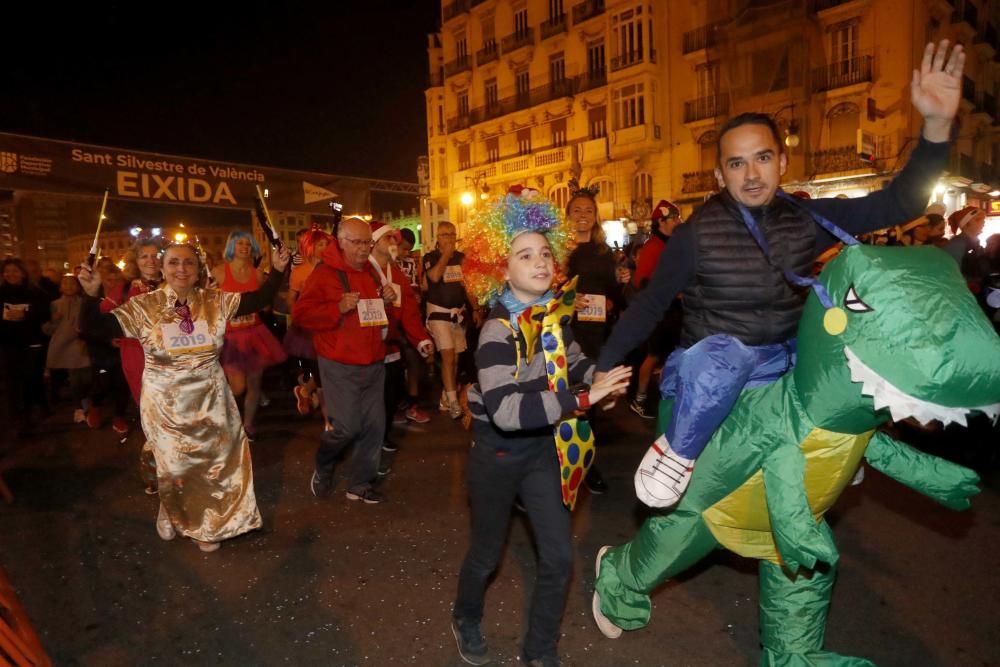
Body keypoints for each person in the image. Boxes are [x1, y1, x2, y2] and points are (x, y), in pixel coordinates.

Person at [591, 40, 963, 512]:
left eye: (762, 158)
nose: (751, 174)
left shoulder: (806, 220)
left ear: (783, 162)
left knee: (839, 351)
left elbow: (899, 203)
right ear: (719, 173)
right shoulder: (695, 234)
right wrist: (607, 363)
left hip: (781, 364)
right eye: (736, 162)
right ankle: (677, 453)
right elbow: (649, 304)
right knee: (725, 355)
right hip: (710, 370)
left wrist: (935, 127)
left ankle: (839, 450)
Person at [451, 186, 631, 667]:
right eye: (524, 254)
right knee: (487, 556)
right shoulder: (497, 330)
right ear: (499, 269)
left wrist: (598, 380)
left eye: (545, 253)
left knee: (559, 558)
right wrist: (582, 399)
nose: (540, 262)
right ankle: (465, 616)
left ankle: (539, 651)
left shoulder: (553, 316)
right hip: (498, 452)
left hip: (542, 453)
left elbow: (571, 361)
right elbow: (507, 412)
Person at [78, 242, 290, 552]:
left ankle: (208, 526)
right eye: (174, 262)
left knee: (215, 465)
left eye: (188, 263)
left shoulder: (214, 301)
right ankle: (169, 505)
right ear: (162, 269)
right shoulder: (145, 306)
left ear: (198, 270)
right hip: (165, 402)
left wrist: (279, 270)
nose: (181, 269)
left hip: (211, 398)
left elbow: (258, 299)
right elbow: (94, 326)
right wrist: (90, 295)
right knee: (176, 466)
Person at [293, 217, 399, 505]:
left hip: (374, 362)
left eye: (368, 242)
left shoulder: (371, 272)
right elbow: (301, 313)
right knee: (346, 428)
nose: (364, 248)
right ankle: (324, 464)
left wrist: (386, 299)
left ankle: (360, 483)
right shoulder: (324, 274)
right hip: (339, 364)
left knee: (375, 427)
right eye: (357, 242)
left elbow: (374, 313)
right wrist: (337, 308)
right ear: (341, 242)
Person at [562, 182, 627, 495]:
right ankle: (568, 461)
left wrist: (619, 286)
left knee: (594, 397)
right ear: (568, 215)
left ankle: (587, 461)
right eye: (577, 211)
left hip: (599, 333)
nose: (583, 216)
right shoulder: (560, 250)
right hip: (568, 333)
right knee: (570, 398)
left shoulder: (603, 251)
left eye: (589, 210)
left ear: (596, 215)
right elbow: (548, 289)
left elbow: (612, 291)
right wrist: (567, 302)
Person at [367, 222, 434, 456]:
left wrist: (421, 340)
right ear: (373, 243)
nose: (394, 242)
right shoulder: (362, 270)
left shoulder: (395, 273)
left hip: (391, 346)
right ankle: (368, 442)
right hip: (366, 347)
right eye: (388, 238)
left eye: (394, 238)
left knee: (390, 394)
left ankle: (383, 435)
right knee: (370, 399)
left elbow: (408, 311)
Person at [212, 230, 287, 439]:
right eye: (239, 244)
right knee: (237, 387)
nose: (244, 247)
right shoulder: (218, 272)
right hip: (230, 337)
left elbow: (264, 300)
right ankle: (226, 418)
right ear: (231, 247)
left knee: (255, 383)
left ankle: (248, 424)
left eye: (247, 244)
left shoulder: (258, 274)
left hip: (255, 334)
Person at [629, 200, 684, 419]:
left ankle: (664, 397)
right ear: (661, 221)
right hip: (660, 312)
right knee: (654, 356)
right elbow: (641, 281)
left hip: (673, 310)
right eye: (674, 218)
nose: (678, 221)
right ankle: (640, 399)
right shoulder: (653, 247)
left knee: (669, 356)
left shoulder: (672, 244)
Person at [422, 221, 468, 419]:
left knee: (456, 359)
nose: (449, 238)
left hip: (458, 314)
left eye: (452, 234)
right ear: (438, 239)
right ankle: (454, 403)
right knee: (448, 356)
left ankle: (445, 397)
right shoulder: (430, 257)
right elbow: (433, 277)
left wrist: (474, 308)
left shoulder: (463, 258)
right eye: (444, 235)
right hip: (438, 313)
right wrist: (446, 255)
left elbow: (467, 284)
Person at [0, 258, 51, 436]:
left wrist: (25, 313)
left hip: (31, 343)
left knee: (30, 380)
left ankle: (32, 411)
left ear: (23, 273)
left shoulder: (35, 292)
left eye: (15, 271)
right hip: (8, 345)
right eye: (7, 271)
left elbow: (45, 314)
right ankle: (19, 419)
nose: (11, 274)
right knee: (12, 383)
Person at [284, 226, 330, 416]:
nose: (325, 248)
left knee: (326, 371)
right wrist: (299, 315)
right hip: (308, 329)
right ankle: (328, 419)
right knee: (320, 371)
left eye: (327, 244)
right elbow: (291, 299)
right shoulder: (300, 271)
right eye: (321, 244)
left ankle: (305, 391)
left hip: (328, 325)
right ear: (311, 246)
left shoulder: (332, 269)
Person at [43, 275, 92, 424]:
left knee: (88, 378)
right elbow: (48, 328)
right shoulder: (55, 304)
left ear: (78, 287)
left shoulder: (84, 303)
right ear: (60, 287)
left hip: (82, 344)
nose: (69, 287)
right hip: (66, 347)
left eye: (72, 284)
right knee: (75, 379)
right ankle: (79, 408)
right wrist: (54, 320)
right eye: (65, 284)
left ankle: (87, 404)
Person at [396, 227, 430, 424]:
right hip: (391, 321)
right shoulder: (384, 264)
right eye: (403, 248)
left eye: (409, 250)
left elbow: (415, 287)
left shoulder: (409, 263)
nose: (405, 253)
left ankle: (412, 405)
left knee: (414, 361)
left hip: (408, 320)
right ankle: (399, 404)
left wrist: (416, 295)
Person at [944, 205, 988, 289]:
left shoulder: (974, 243)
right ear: (966, 224)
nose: (983, 223)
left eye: (983, 220)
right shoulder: (957, 244)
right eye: (977, 220)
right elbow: (952, 272)